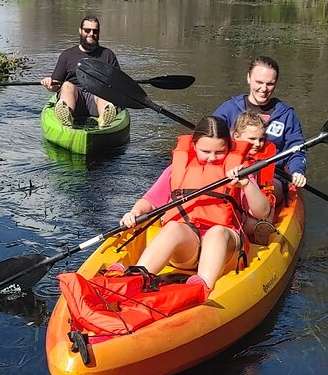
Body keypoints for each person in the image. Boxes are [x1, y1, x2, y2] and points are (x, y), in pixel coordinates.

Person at [115, 116, 271, 297]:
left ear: (228, 147)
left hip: (226, 248)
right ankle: (137, 278)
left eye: (219, 152)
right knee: (173, 227)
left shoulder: (238, 171)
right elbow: (150, 201)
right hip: (187, 249)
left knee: (216, 232)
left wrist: (246, 184)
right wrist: (134, 212)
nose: (212, 158)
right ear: (194, 146)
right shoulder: (177, 169)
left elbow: (262, 212)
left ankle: (201, 287)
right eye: (205, 151)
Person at [212, 56, 307, 200]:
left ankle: (261, 215)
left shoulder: (286, 115)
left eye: (270, 84)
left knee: (260, 194)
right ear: (249, 78)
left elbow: (296, 149)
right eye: (259, 82)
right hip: (232, 172)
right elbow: (209, 139)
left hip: (271, 176)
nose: (264, 89)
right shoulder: (228, 109)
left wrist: (297, 171)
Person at [40, 15, 119, 129]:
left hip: (97, 101)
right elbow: (55, 86)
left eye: (95, 31)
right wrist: (49, 84)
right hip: (75, 101)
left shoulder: (108, 55)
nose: (91, 34)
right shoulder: (67, 55)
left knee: (102, 88)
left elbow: (118, 85)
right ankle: (67, 115)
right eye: (87, 30)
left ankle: (105, 117)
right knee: (66, 85)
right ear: (80, 31)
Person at [231, 111, 277, 245]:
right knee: (250, 221)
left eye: (261, 139)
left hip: (257, 202)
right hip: (238, 207)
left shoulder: (264, 154)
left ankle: (263, 227)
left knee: (270, 201)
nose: (257, 144)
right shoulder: (226, 154)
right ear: (236, 136)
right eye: (252, 139)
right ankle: (256, 225)